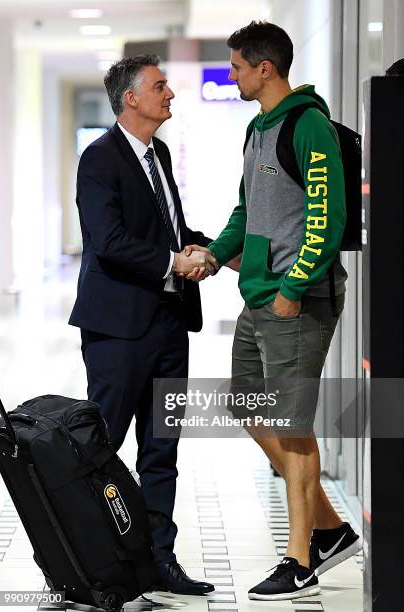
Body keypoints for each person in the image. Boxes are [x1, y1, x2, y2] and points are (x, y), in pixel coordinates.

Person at [186, 21, 362, 601]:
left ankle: (301, 559)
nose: (230, 73)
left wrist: (294, 285)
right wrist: (214, 255)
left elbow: (327, 217)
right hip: (259, 297)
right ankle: (331, 530)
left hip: (297, 302)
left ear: (266, 68)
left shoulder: (307, 125)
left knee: (292, 427)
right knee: (246, 405)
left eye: (236, 66)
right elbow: (246, 211)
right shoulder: (256, 130)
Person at [69, 54, 217, 595]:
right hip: (118, 331)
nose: (170, 94)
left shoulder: (158, 158)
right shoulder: (100, 159)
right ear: (131, 98)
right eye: (160, 87)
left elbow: (165, 231)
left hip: (169, 326)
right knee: (100, 452)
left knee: (163, 447)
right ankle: (95, 566)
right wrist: (173, 261)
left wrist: (208, 249)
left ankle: (159, 559)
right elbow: (107, 241)